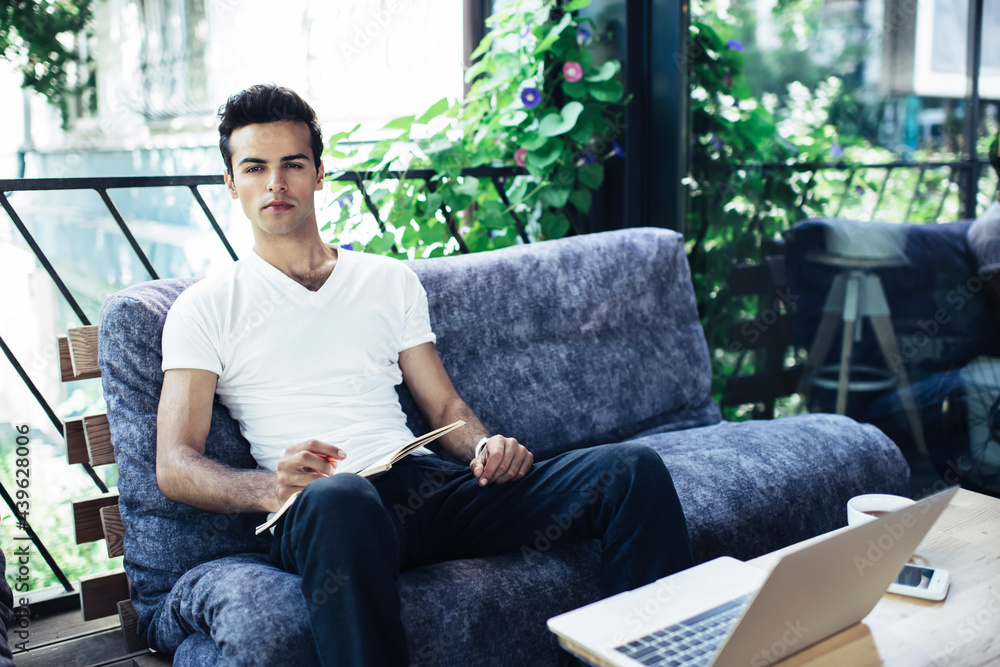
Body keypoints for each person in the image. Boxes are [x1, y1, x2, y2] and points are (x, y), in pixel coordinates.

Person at [155, 83, 693, 666]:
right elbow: (175, 464)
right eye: (255, 168)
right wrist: (272, 488)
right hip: (326, 509)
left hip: (426, 487)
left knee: (630, 469)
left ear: (319, 173)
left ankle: (653, 658)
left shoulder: (387, 280)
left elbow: (443, 410)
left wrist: (485, 445)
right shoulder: (205, 306)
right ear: (231, 183)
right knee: (344, 498)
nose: (277, 184)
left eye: (293, 165)